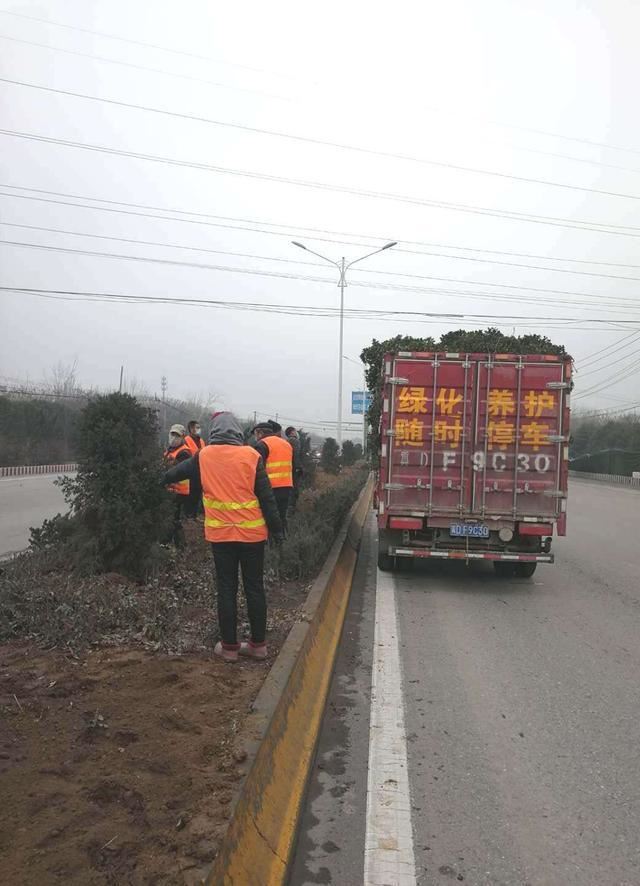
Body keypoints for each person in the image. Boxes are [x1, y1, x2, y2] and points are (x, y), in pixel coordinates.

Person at [163, 412, 283, 663]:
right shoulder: (252, 456)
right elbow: (267, 497)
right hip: (252, 535)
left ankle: (229, 647)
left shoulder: (204, 456)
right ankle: (258, 646)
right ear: (238, 433)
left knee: (226, 588)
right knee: (254, 588)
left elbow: (175, 474)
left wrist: (155, 477)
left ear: (214, 432)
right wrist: (277, 531)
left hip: (221, 535)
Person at [252, 422, 293, 533]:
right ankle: (284, 541)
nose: (255, 437)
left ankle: (272, 544)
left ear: (260, 432)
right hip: (286, 486)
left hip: (269, 488)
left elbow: (257, 469)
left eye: (255, 433)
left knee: (268, 518)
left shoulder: (262, 445)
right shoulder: (286, 444)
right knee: (281, 516)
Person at [164, 424, 192, 547]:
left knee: (172, 518)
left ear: (182, 437)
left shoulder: (184, 452)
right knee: (173, 518)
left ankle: (168, 543)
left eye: (177, 435)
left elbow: (177, 471)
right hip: (171, 489)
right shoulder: (170, 450)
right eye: (172, 434)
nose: (173, 438)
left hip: (179, 491)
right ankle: (180, 545)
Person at [184, 420, 205, 518]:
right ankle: (188, 515)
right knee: (190, 494)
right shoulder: (186, 440)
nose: (198, 429)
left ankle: (194, 515)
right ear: (191, 429)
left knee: (197, 493)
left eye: (199, 427)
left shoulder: (201, 441)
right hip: (191, 469)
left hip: (201, 470)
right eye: (196, 427)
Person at [285, 426, 303, 513]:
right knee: (294, 490)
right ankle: (291, 510)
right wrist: (298, 467)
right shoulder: (294, 441)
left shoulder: (286, 441)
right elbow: (296, 455)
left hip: (287, 468)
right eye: (295, 431)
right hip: (293, 468)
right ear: (292, 432)